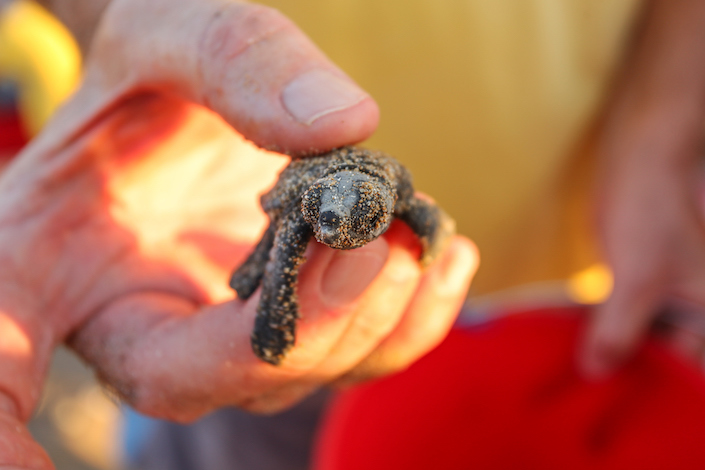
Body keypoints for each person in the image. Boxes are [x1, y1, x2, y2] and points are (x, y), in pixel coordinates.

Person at [2, 0, 705, 468]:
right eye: (337, 225)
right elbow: (285, 237)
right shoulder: (312, 207)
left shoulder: (389, 195)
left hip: (563, 254)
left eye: (352, 225)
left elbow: (413, 210)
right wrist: (120, 17)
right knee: (268, 267)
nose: (341, 233)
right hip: (217, 199)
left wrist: (663, 133)